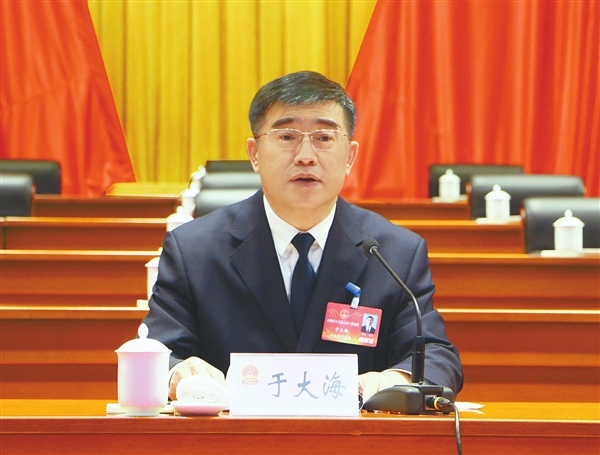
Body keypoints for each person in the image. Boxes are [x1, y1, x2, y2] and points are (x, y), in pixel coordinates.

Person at [142, 71, 463, 402]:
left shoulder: (394, 253)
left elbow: (437, 357)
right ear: (254, 154)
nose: (306, 155)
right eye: (286, 136)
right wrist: (176, 371)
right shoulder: (194, 249)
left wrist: (394, 379)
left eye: (324, 137)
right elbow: (157, 351)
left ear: (350, 156)